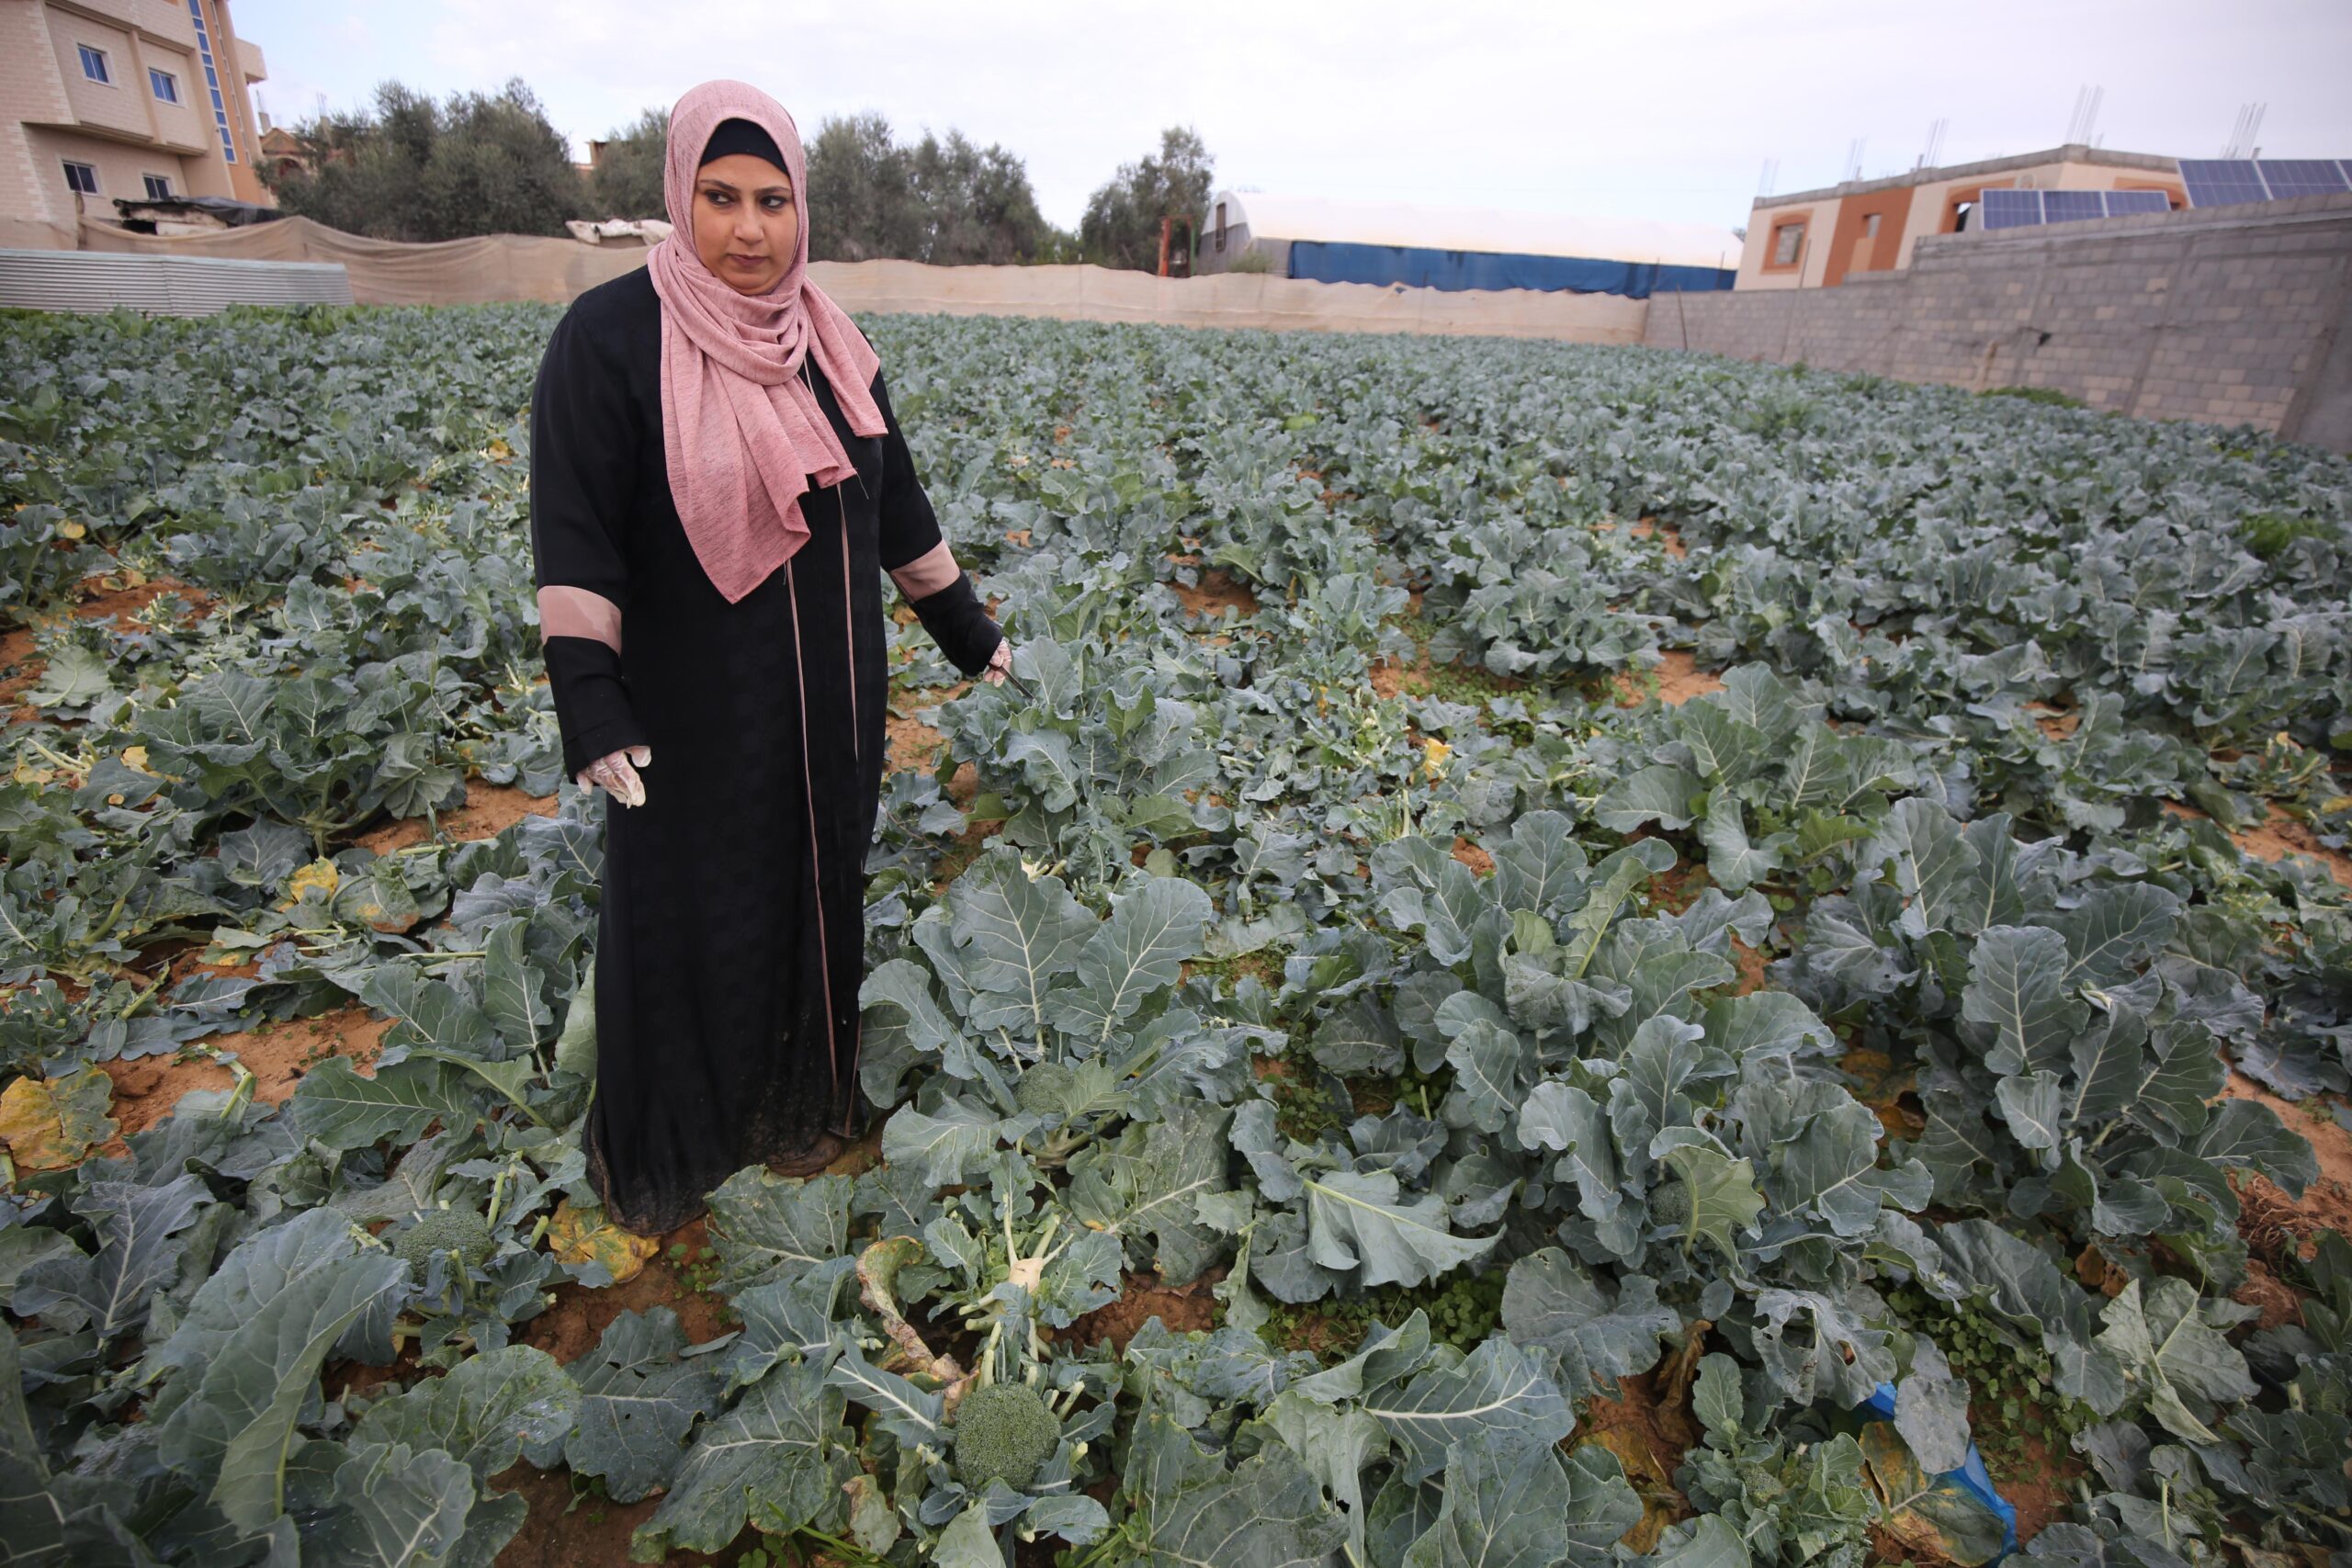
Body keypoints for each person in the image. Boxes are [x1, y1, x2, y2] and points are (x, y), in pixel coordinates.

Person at [528, 78, 1011, 1236]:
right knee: (692, 920)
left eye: (773, 200)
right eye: (720, 197)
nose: (749, 228)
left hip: (832, 708)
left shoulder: (831, 345)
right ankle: (677, 1159)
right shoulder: (607, 342)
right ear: (678, 199)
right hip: (696, 715)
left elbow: (897, 511)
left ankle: (802, 1112)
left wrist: (971, 636)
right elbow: (576, 537)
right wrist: (590, 699)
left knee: (814, 901)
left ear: (804, 210)